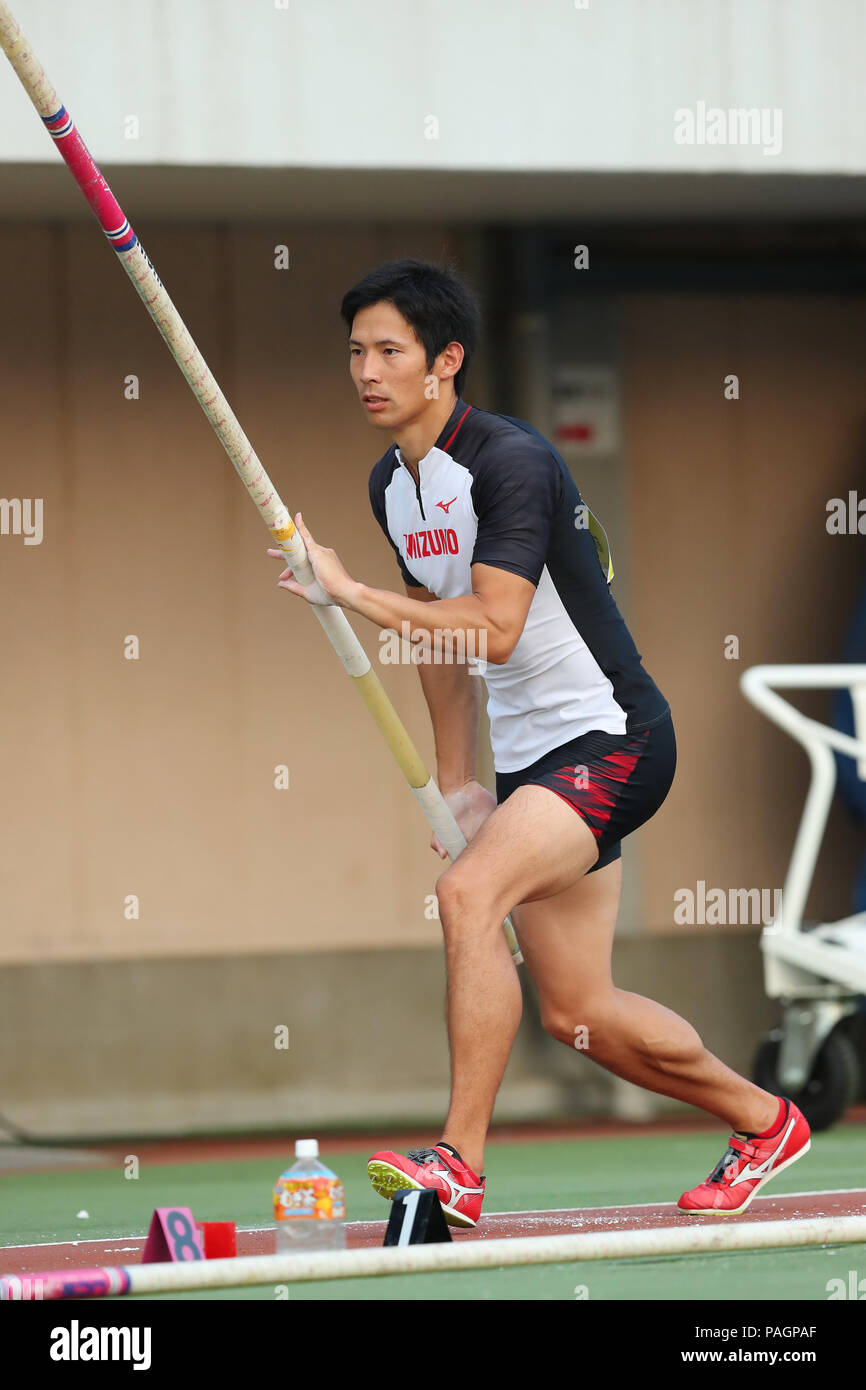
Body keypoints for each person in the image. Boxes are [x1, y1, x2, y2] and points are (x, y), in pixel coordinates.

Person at [268, 259, 810, 1227]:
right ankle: (762, 1119)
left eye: (389, 350)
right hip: (530, 765)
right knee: (578, 1012)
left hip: (611, 737)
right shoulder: (391, 485)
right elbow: (440, 639)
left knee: (464, 895)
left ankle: (459, 1164)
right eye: (355, 351)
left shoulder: (509, 461)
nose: (367, 369)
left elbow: (494, 627)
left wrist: (347, 594)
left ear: (446, 361)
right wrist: (454, 782)